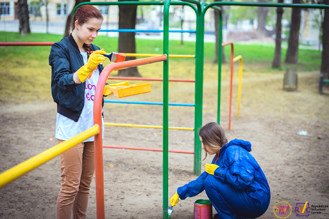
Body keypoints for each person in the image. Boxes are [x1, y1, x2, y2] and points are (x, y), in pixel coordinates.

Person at [49, 5, 108, 219]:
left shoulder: (93, 49)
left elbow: (96, 86)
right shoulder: (60, 49)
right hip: (72, 126)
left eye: (97, 31)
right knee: (70, 187)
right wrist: (86, 69)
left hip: (92, 125)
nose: (94, 35)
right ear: (77, 24)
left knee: (84, 185)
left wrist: (108, 89)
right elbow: (62, 81)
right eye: (90, 29)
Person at [170, 122, 271, 219]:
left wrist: (218, 171)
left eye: (203, 142)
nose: (202, 146)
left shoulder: (234, 152)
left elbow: (243, 181)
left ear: (211, 141)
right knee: (208, 179)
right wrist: (180, 193)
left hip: (256, 201)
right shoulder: (220, 155)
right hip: (249, 198)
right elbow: (203, 178)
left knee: (210, 182)